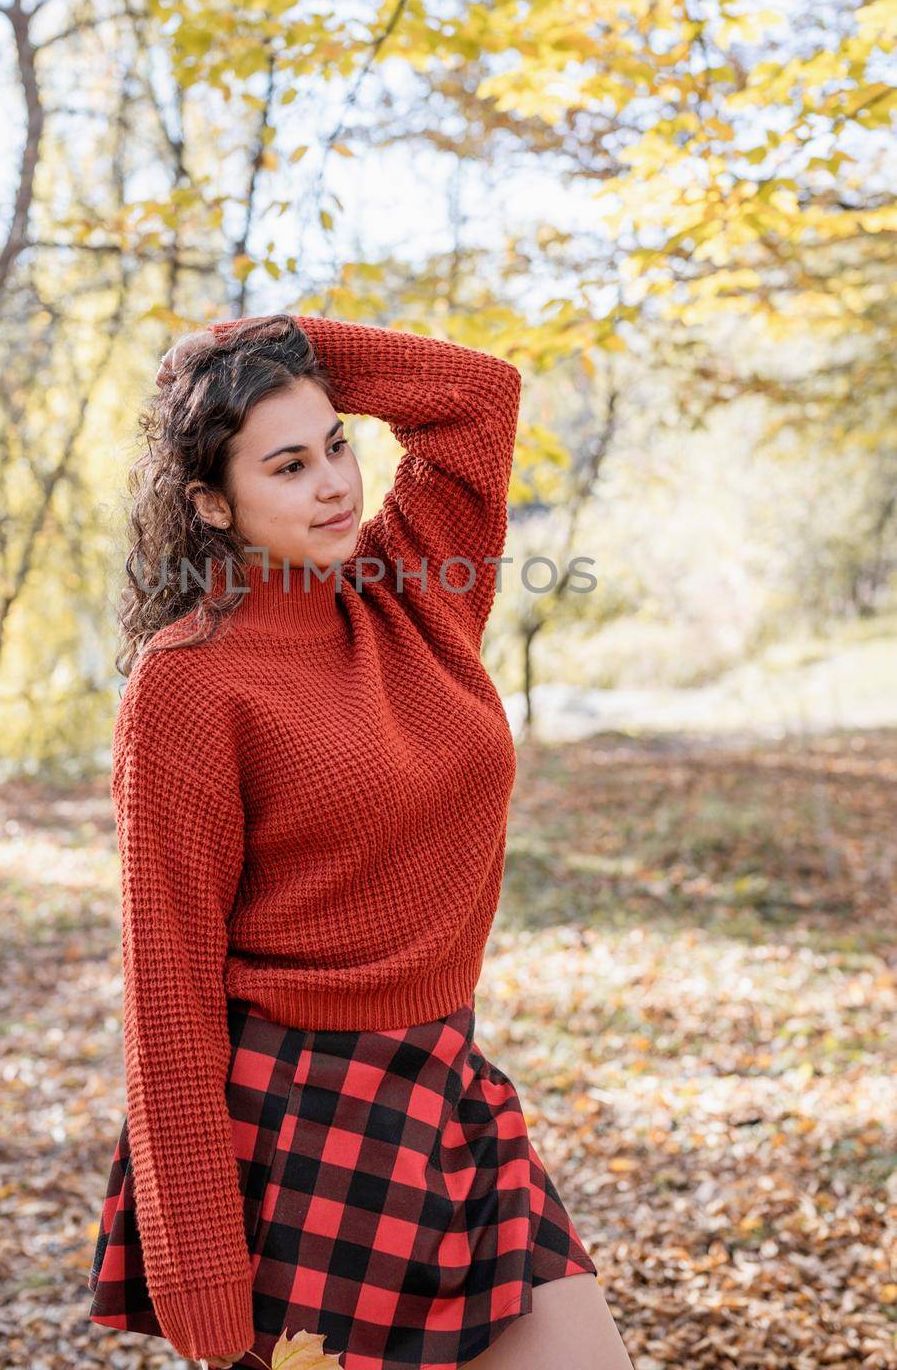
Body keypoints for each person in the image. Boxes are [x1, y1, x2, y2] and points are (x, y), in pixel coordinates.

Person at [87, 311, 635, 1370]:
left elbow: (479, 396)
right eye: (287, 465)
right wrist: (203, 1276)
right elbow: (169, 991)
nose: (335, 482)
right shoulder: (188, 680)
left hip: (448, 1086)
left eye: (338, 443)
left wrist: (276, 344)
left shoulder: (410, 590)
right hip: (298, 1127)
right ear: (211, 501)